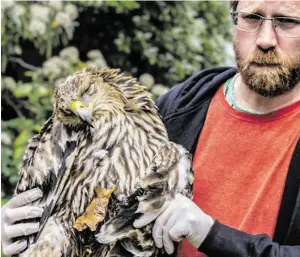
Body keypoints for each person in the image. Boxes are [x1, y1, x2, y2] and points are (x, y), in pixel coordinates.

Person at [1, 0, 300, 256]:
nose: (265, 39)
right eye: (252, 17)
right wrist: (24, 230)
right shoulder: (178, 108)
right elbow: (94, 220)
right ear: (234, 17)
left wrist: (212, 235)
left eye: (286, 21)